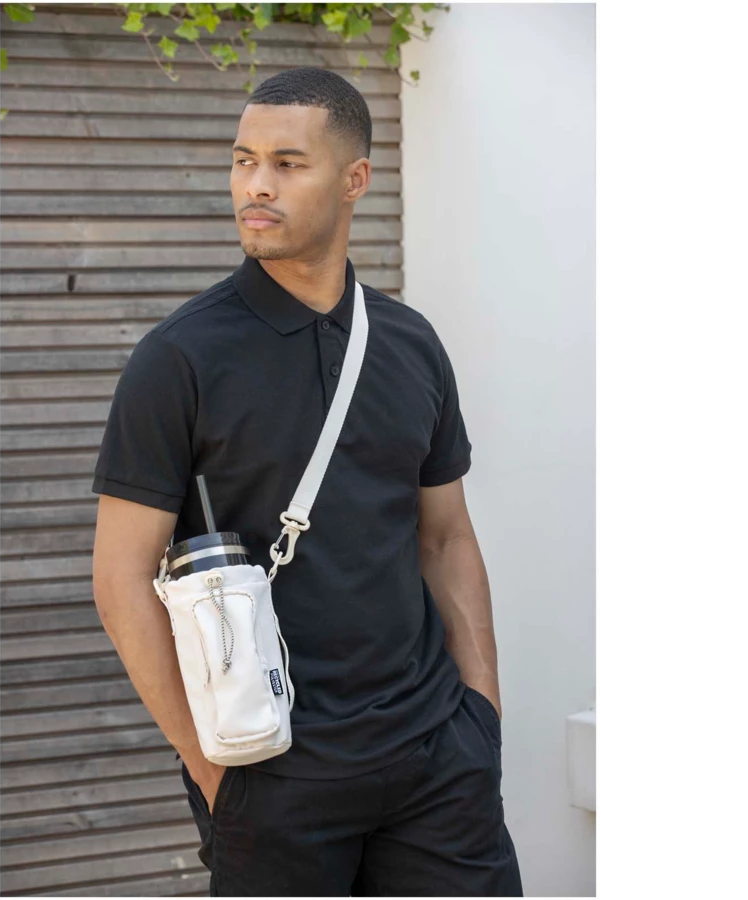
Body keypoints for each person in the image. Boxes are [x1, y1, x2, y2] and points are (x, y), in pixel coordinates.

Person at [91, 66, 523, 897]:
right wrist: (217, 773)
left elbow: (445, 538)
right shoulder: (179, 358)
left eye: (288, 164)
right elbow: (120, 578)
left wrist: (482, 717)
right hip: (272, 775)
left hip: (437, 764)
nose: (256, 184)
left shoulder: (410, 343)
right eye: (243, 160)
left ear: (355, 179)